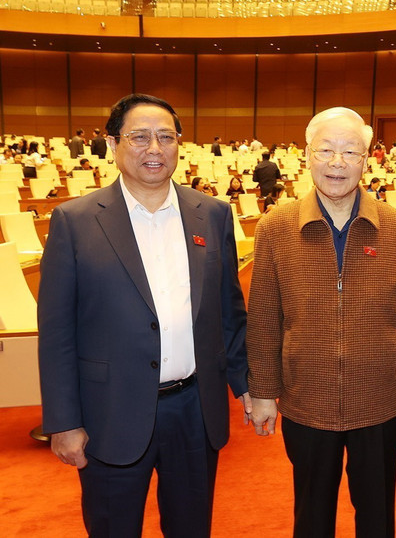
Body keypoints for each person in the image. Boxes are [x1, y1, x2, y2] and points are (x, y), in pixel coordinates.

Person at [37, 93, 250, 537]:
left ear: (179, 145)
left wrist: (246, 385)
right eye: (139, 137)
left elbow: (228, 312)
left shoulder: (211, 214)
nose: (154, 148)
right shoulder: (74, 221)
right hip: (108, 413)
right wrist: (63, 421)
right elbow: (57, 333)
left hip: (194, 409)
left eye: (165, 137)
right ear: (113, 144)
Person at [247, 107, 396, 538]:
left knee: (377, 514)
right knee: (311, 516)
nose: (337, 163)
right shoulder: (275, 227)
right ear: (307, 155)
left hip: (380, 400)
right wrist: (262, 391)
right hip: (306, 400)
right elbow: (263, 320)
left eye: (350, 152)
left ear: (366, 160)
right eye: (326, 150)